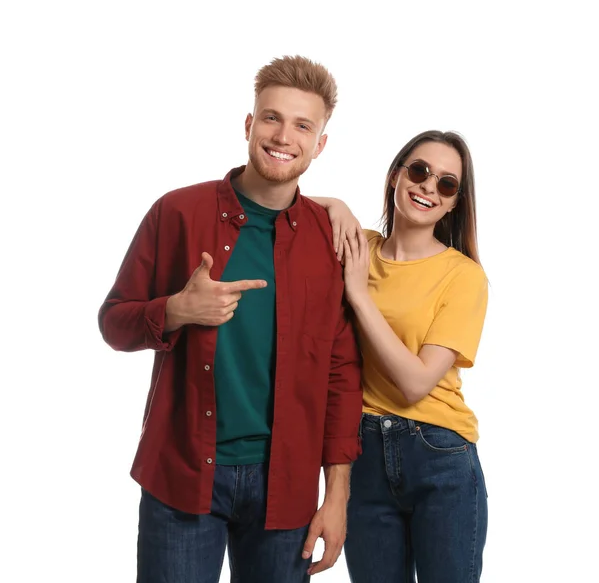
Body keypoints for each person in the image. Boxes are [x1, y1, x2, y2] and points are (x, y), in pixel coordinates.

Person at [97, 55, 363, 583]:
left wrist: (337, 497)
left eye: (302, 125)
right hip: (183, 476)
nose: (283, 135)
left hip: (285, 490)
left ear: (320, 143)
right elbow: (113, 321)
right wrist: (175, 310)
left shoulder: (328, 240)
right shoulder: (177, 212)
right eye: (271, 118)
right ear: (249, 125)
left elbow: (341, 374)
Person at [313, 130, 489, 582]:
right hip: (363, 454)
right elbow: (285, 204)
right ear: (396, 176)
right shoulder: (359, 245)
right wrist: (339, 204)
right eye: (419, 171)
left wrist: (358, 294)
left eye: (446, 184)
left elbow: (416, 383)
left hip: (440, 454)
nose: (429, 186)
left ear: (454, 202)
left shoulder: (463, 277)